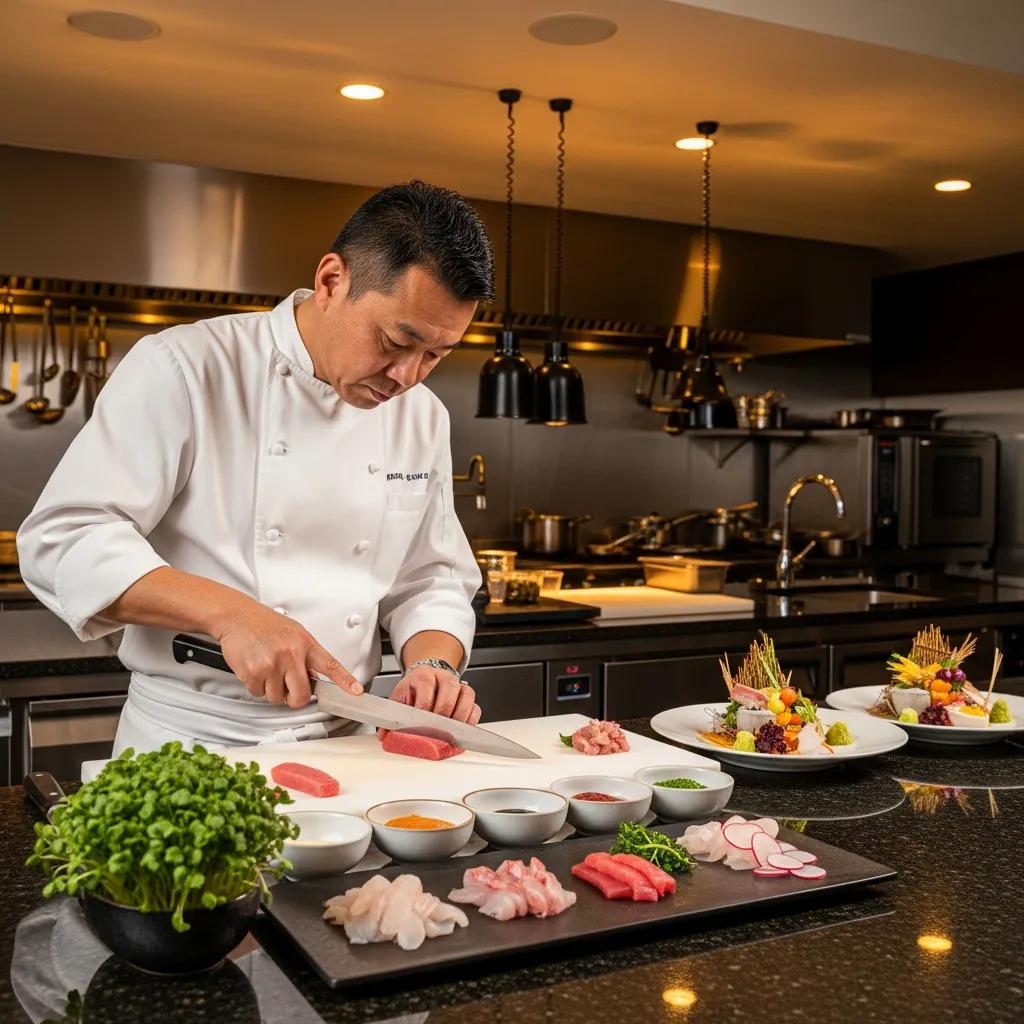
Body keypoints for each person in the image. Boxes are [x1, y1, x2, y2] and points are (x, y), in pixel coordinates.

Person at [18, 180, 493, 752]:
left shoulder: (423, 416)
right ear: (331, 281)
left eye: (434, 355)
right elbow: (63, 538)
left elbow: (432, 576)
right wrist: (230, 614)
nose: (407, 376)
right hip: (192, 742)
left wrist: (433, 664)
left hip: (346, 742)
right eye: (395, 341)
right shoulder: (185, 367)